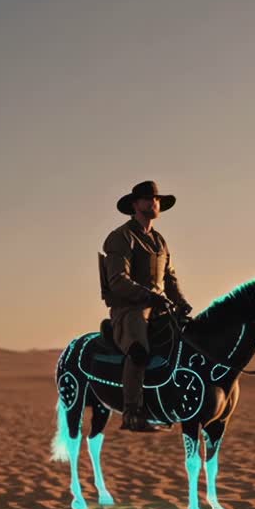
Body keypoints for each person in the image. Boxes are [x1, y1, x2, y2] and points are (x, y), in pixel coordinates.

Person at [102, 180, 194, 432]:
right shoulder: (121, 237)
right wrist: (147, 296)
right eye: (147, 199)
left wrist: (181, 301)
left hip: (162, 307)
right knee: (139, 351)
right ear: (134, 204)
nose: (154, 203)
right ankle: (131, 412)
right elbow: (118, 280)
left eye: (156, 199)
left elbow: (170, 278)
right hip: (131, 309)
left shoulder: (160, 240)